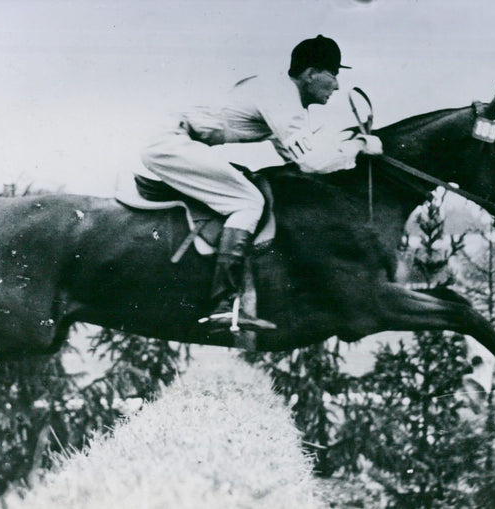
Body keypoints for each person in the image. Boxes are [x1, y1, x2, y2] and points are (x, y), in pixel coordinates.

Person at [140, 35, 383, 333]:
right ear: (310, 74)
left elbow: (297, 158)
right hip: (171, 141)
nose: (337, 85)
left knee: (247, 194)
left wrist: (346, 147)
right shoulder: (281, 96)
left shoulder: (281, 95)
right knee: (247, 202)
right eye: (333, 75)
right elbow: (312, 162)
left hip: (176, 138)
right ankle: (222, 306)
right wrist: (358, 146)